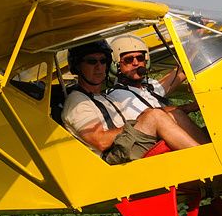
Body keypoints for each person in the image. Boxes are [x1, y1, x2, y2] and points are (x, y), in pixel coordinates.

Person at [60, 40, 206, 165]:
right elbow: (100, 142)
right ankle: (203, 158)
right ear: (77, 66)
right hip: (111, 159)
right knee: (154, 116)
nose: (99, 67)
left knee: (173, 114)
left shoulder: (103, 97)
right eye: (92, 61)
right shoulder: (77, 101)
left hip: (125, 146)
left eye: (103, 61)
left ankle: (208, 149)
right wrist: (142, 120)